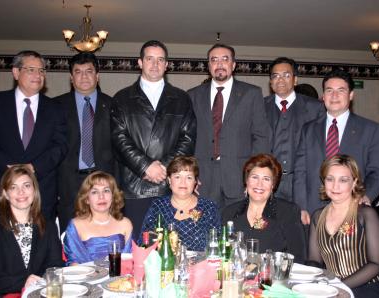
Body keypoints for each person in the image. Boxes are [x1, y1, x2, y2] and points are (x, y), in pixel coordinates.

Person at [111, 40, 196, 236]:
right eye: (150, 59)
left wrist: (164, 169)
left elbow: (188, 138)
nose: (155, 64)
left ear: (167, 65)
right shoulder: (122, 98)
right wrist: (146, 167)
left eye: (160, 60)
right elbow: (119, 139)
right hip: (134, 186)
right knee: (137, 247)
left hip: (170, 186)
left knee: (170, 246)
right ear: (140, 62)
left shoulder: (181, 98)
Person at [0, 50, 68, 220]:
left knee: (40, 245)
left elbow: (60, 145)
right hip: (2, 190)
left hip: (42, 193)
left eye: (41, 70)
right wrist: (11, 168)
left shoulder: (56, 108)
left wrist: (33, 168)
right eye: (31, 69)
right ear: (16, 72)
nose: (38, 75)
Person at [294, 69, 379, 225]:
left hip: (352, 209)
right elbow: (300, 172)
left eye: (340, 90)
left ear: (351, 95)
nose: (334, 96)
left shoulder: (370, 129)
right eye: (329, 90)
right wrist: (301, 207)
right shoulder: (308, 129)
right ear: (323, 96)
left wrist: (365, 196)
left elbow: (377, 172)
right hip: (313, 211)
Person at [188, 43, 270, 211]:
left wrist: (253, 176)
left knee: (238, 230)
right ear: (208, 65)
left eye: (225, 59)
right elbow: (187, 138)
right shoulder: (192, 95)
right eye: (214, 60)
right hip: (203, 178)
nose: (219, 64)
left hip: (238, 176)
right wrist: (190, 174)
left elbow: (261, 136)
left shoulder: (251, 93)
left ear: (233, 65)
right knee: (205, 229)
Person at [0, 165, 63, 297]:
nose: (21, 192)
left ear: (34, 190)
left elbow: (55, 266)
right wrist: (22, 282)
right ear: (5, 194)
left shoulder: (48, 225)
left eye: (26, 185)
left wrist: (38, 283)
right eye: (13, 187)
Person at [307, 155, 379, 297]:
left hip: (368, 287)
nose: (335, 186)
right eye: (330, 179)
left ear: (354, 182)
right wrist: (315, 280)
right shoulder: (317, 216)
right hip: (332, 288)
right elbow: (314, 259)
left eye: (343, 180)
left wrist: (339, 285)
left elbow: (376, 264)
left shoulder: (366, 214)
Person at [55, 52, 114, 233]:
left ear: (98, 76)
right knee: (70, 238)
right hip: (68, 184)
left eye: (89, 71)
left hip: (104, 182)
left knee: (103, 237)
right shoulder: (55, 106)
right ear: (71, 78)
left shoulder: (113, 105)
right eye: (78, 72)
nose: (84, 76)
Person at [223, 154, 306, 263]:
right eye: (254, 177)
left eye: (266, 179)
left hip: (274, 278)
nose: (259, 184)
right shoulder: (229, 213)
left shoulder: (288, 212)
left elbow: (298, 259)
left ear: (273, 185)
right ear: (246, 181)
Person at [264, 57, 325, 201]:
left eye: (286, 75)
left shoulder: (315, 108)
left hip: (304, 183)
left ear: (295, 80)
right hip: (268, 183)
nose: (280, 80)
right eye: (275, 76)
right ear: (271, 81)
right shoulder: (259, 107)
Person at [140, 156, 220, 251]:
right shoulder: (158, 206)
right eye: (177, 177)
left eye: (189, 177)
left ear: (195, 181)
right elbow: (143, 242)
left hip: (200, 264)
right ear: (169, 180)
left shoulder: (208, 207)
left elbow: (217, 245)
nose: (183, 182)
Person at [63, 171, 132, 265]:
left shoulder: (125, 223)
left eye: (106, 190)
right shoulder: (76, 225)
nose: (101, 196)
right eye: (95, 192)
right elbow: (74, 264)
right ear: (86, 199)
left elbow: (130, 261)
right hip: (85, 278)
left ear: (113, 196)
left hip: (121, 278)